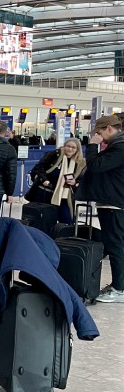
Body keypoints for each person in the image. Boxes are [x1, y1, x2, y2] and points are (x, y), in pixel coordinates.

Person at [77, 114, 124, 303]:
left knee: (115, 246)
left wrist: (93, 145)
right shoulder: (117, 146)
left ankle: (119, 288)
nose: (99, 136)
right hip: (113, 201)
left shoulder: (119, 147)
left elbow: (96, 166)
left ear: (109, 129)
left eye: (99, 132)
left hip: (114, 203)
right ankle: (119, 285)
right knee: (117, 245)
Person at [25, 138, 86, 225]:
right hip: (45, 193)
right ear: (64, 146)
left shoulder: (80, 163)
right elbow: (39, 168)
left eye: (73, 147)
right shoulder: (55, 155)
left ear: (77, 150)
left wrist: (74, 182)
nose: (70, 149)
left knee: (67, 221)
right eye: (68, 146)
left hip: (64, 196)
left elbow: (81, 179)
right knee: (44, 222)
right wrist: (45, 180)